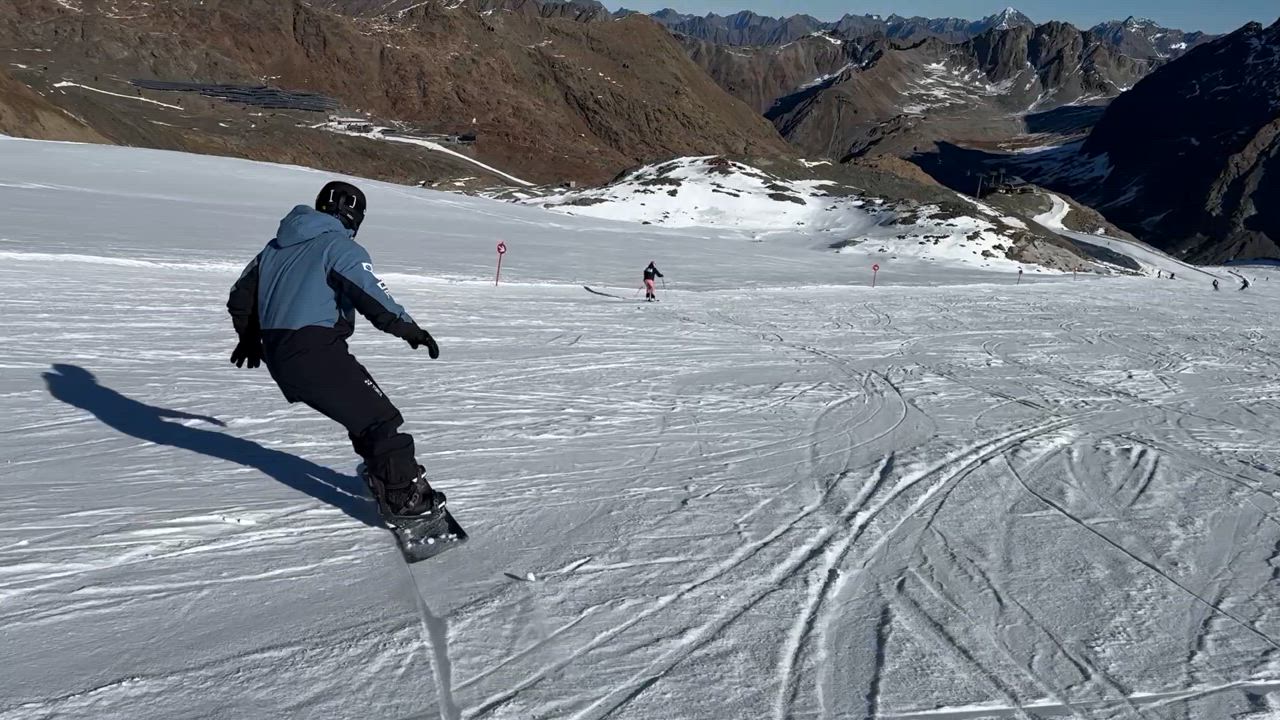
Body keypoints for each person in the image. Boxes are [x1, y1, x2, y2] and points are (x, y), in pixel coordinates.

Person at [226, 181, 444, 519]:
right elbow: (371, 295)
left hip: (281, 355)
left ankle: (383, 477)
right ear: (354, 216)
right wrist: (410, 330)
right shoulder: (340, 247)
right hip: (315, 350)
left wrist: (250, 337)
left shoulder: (273, 248)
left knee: (364, 414)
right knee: (381, 420)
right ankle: (405, 501)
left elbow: (240, 296)